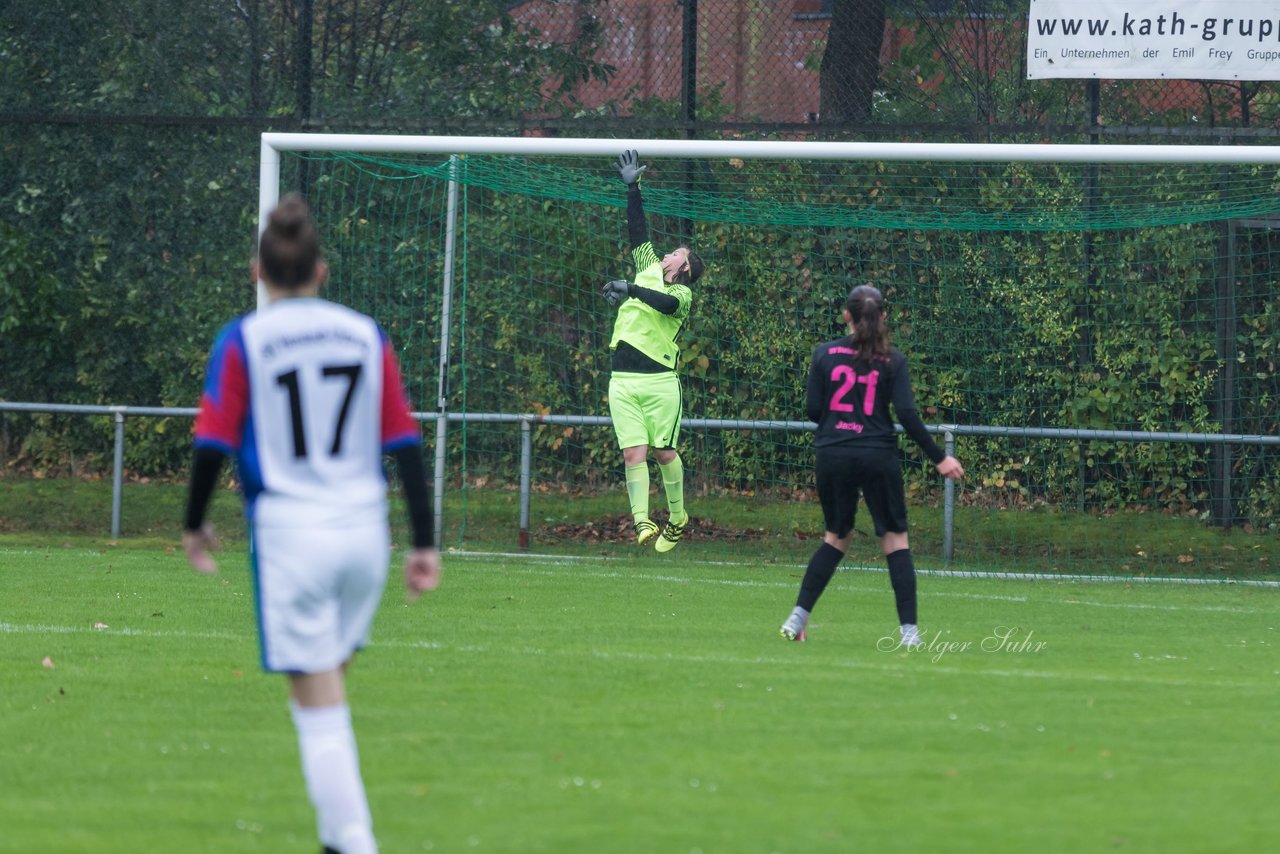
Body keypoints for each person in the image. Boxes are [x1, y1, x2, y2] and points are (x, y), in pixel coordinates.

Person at [181, 193, 441, 854]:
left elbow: (213, 442)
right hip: (363, 537)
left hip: (294, 537)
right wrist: (425, 544)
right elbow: (404, 443)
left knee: (317, 708)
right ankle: (335, 840)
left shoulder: (245, 339)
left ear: (257, 273)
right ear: (321, 271)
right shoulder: (363, 334)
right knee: (330, 683)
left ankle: (355, 842)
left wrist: (193, 524)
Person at [780, 284, 963, 647]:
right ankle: (909, 634)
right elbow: (908, 416)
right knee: (894, 540)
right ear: (883, 317)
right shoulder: (892, 360)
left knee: (837, 536)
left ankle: (797, 619)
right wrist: (940, 458)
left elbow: (814, 411)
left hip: (833, 455)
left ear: (845, 315)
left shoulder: (823, 354)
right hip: (876, 455)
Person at [600, 149, 704, 553]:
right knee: (633, 454)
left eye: (674, 255)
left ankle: (677, 517)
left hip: (660, 383)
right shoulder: (646, 267)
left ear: (685, 268)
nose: (665, 255)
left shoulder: (681, 292)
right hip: (622, 380)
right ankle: (642, 522)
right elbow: (638, 231)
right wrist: (632, 188)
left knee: (662, 452)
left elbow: (664, 306)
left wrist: (631, 289)